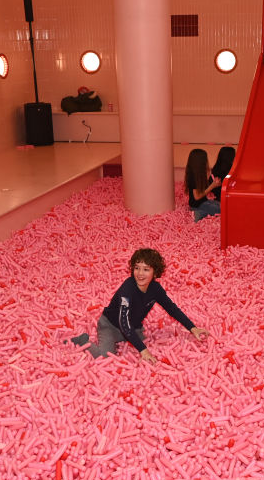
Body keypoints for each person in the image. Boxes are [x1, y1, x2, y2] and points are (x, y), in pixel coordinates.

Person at [70, 248, 209, 363]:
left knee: (146, 344)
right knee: (104, 356)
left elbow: (172, 308)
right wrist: (143, 350)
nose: (140, 274)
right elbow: (123, 322)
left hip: (133, 327)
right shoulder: (127, 290)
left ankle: (128, 339)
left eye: (146, 269)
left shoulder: (155, 289)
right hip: (111, 326)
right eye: (137, 268)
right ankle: (83, 341)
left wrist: (193, 328)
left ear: (155, 272)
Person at [184, 148, 221, 221]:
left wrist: (214, 183)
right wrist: (212, 186)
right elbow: (197, 197)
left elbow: (202, 190)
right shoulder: (193, 176)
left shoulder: (200, 174)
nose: (207, 162)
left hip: (204, 201)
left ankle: (203, 212)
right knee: (222, 210)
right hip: (197, 206)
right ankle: (200, 213)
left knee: (221, 205)